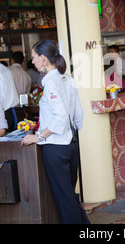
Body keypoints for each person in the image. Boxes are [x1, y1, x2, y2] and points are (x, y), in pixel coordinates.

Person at [21, 39, 89, 224]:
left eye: (34, 57)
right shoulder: (67, 78)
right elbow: (78, 114)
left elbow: (60, 118)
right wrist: (70, 135)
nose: (33, 61)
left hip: (56, 148)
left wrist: (38, 136)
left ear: (43, 59)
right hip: (71, 145)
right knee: (69, 196)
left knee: (64, 199)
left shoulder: (50, 83)